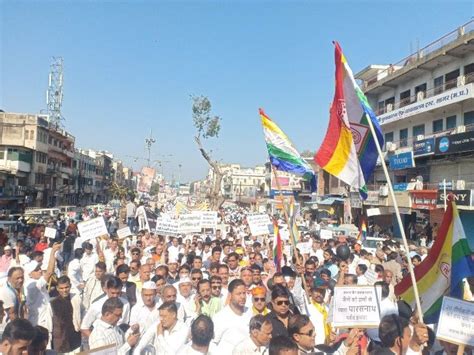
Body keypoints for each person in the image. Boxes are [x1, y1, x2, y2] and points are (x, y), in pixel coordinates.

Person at [24, 242, 61, 328]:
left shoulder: (31, 283)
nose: (40, 271)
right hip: (41, 321)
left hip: (40, 318)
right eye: (36, 270)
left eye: (39, 268)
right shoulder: (32, 284)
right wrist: (53, 252)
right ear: (30, 274)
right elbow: (49, 272)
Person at [213, 279, 252, 353]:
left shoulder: (250, 312)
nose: (243, 297)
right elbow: (214, 343)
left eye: (244, 293)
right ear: (230, 295)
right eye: (239, 294)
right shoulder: (220, 317)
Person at [47, 276, 82, 353]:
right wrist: (48, 348)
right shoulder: (52, 304)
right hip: (60, 344)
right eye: (61, 288)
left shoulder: (76, 299)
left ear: (70, 286)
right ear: (57, 288)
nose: (64, 290)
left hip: (75, 341)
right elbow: (48, 327)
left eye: (66, 287)